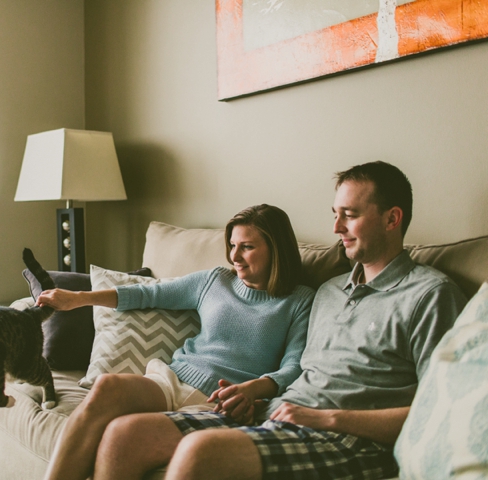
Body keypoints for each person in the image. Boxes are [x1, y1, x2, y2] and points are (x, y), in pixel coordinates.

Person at [90, 161, 468, 480]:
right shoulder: (329, 292)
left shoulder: (429, 295)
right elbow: (295, 369)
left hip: (351, 440)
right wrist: (252, 396)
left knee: (201, 452)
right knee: (126, 435)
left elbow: (439, 411)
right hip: (278, 415)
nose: (336, 229)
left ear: (392, 219)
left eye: (349, 216)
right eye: (334, 215)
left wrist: (329, 419)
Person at [36, 204, 316, 480]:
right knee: (108, 385)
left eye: (247, 247)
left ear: (275, 249)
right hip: (171, 381)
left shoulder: (300, 300)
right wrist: (78, 299)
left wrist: (252, 389)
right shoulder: (215, 281)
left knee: (126, 432)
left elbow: (294, 367)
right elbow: (148, 294)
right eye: (232, 245)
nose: (235, 257)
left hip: (219, 402)